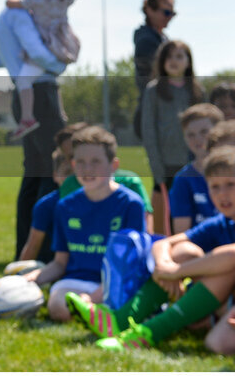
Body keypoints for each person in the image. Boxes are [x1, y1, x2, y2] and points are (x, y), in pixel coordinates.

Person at [67, 146, 235, 352]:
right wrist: (164, 266)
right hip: (219, 301)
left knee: (217, 342)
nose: (222, 194)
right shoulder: (222, 222)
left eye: (230, 184)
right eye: (215, 187)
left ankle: (154, 329)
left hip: (224, 301)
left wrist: (177, 272)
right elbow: (163, 243)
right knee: (182, 252)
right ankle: (123, 322)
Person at [0, 0, 67, 261]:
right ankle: (42, 250)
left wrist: (14, 60)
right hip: (41, 94)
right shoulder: (21, 16)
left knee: (33, 172)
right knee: (51, 168)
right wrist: (62, 62)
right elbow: (39, 53)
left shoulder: (3, 17)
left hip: (22, 96)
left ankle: (25, 247)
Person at [23, 126, 145, 321]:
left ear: (113, 165)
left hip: (115, 281)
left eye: (95, 162)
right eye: (80, 162)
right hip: (77, 281)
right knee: (57, 306)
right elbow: (59, 263)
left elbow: (128, 264)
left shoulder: (130, 204)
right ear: (72, 164)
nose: (87, 169)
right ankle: (96, 315)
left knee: (117, 301)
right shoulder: (66, 206)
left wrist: (93, 297)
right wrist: (30, 280)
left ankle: (101, 314)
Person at [4, 0, 81, 140]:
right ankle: (60, 112)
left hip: (46, 47)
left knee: (24, 81)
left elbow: (11, 3)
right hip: (63, 45)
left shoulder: (36, 1)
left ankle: (27, 117)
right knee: (51, 78)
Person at [141, 39, 204, 232]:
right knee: (166, 217)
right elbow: (148, 130)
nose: (173, 61)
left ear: (188, 61)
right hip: (166, 165)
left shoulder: (197, 90)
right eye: (168, 56)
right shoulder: (154, 90)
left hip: (193, 162)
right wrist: (157, 166)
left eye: (179, 56)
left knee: (192, 212)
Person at [170, 103, 226, 233]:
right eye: (190, 134)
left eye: (204, 132)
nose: (198, 139)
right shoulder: (183, 180)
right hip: (202, 250)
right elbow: (181, 234)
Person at [133, 0, 176, 138]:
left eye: (172, 13)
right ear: (150, 11)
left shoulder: (162, 38)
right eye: (166, 12)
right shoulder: (146, 40)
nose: (169, 17)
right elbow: (154, 76)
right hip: (156, 110)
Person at [17, 149, 72, 262]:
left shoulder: (97, 201)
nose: (73, 179)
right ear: (55, 176)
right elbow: (32, 247)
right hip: (53, 265)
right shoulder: (46, 205)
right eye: (67, 173)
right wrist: (19, 275)